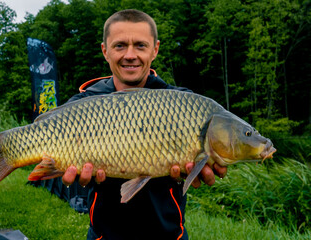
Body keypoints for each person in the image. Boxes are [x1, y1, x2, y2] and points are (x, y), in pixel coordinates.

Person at [61, 9, 227, 240]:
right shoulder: (83, 105)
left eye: (140, 45)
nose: (130, 55)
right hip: (104, 236)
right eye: (120, 46)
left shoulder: (184, 104)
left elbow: (206, 170)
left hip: (169, 235)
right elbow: (62, 173)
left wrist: (199, 169)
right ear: (105, 51)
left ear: (155, 49)